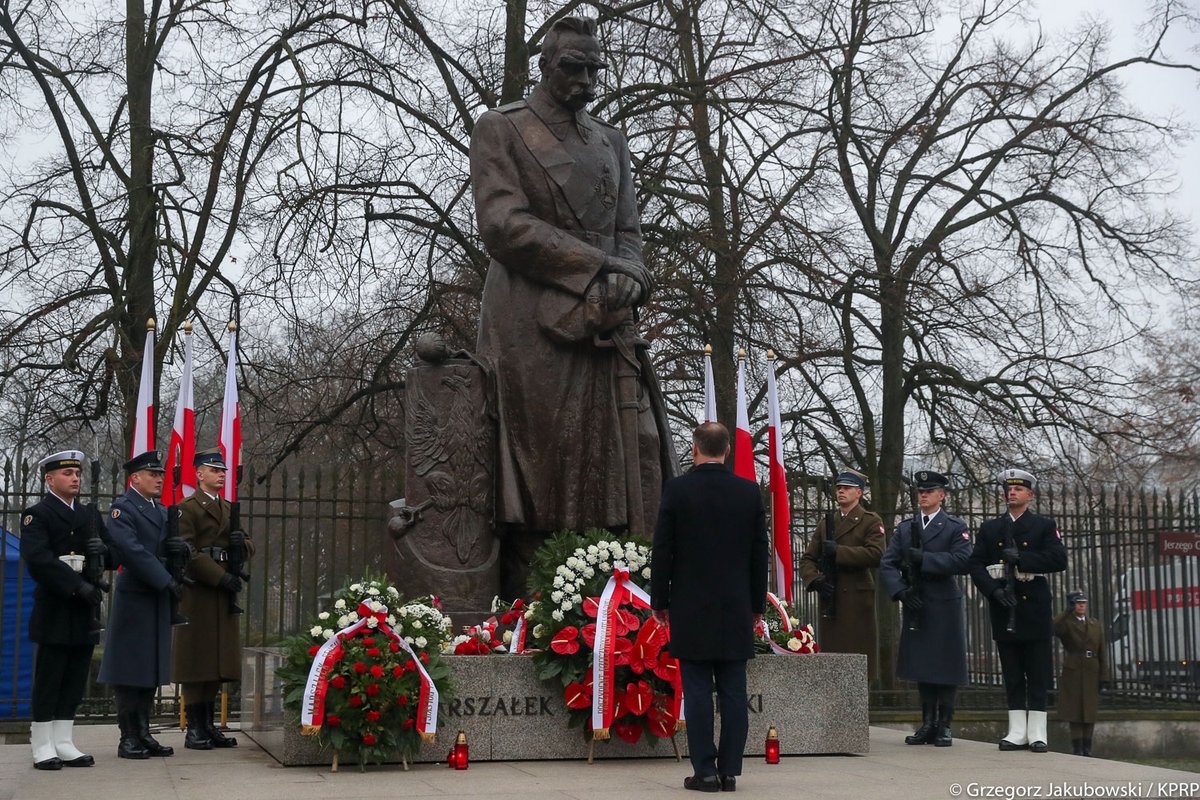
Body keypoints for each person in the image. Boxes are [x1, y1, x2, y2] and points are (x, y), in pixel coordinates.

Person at [470, 15, 677, 599]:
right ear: (545, 64)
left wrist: (631, 277)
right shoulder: (502, 128)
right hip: (532, 323)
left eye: (594, 68)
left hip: (607, 320)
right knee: (547, 462)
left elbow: (628, 230)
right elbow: (503, 224)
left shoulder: (609, 139)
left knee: (631, 448)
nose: (586, 79)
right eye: (573, 67)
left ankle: (621, 592)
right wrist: (597, 267)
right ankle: (538, 601)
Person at [651, 422, 768, 793]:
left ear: (695, 448)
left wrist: (659, 600)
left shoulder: (677, 490)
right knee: (734, 690)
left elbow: (663, 550)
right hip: (735, 606)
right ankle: (729, 770)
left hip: (691, 605)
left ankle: (704, 771)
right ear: (728, 449)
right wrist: (757, 603)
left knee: (697, 690)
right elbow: (758, 555)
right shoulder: (749, 492)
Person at [968, 468, 1067, 753]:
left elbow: (1059, 558)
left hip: (1033, 607)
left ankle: (1037, 733)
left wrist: (1023, 558)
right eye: (1009, 489)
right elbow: (975, 564)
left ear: (1030, 495)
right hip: (1004, 605)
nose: (1012, 492)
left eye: (1019, 489)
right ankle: (1016, 731)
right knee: (1011, 673)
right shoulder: (990, 529)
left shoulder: (1043, 526)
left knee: (1036, 673)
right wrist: (993, 590)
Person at [20, 450, 107, 770]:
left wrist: (104, 550)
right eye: (68, 474)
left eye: (77, 473)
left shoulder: (89, 515)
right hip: (57, 606)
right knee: (50, 677)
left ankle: (64, 740)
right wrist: (75, 585)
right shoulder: (37, 515)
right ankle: (42, 743)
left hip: (85, 609)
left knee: (73, 677)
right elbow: (38, 559)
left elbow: (109, 555)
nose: (75, 478)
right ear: (50, 479)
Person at [879, 470, 972, 747]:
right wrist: (901, 591)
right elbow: (888, 563)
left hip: (943, 602)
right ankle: (927, 722)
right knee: (923, 666)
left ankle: (944, 725)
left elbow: (963, 560)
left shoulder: (954, 527)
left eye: (929, 491)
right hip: (916, 601)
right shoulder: (907, 528)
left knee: (945, 666)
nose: (923, 495)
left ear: (941, 496)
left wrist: (927, 559)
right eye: (921, 491)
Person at [98, 450, 180, 759]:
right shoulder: (123, 509)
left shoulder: (160, 510)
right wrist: (164, 577)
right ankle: (128, 737)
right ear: (135, 479)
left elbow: (160, 548)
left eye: (161, 474)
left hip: (156, 594)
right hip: (136, 595)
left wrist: (178, 552)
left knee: (150, 667)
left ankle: (144, 732)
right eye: (153, 474)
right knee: (129, 669)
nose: (160, 479)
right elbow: (131, 551)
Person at [171, 448, 253, 750]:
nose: (221, 474)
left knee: (217, 661)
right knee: (196, 661)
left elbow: (249, 542)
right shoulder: (187, 508)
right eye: (214, 470)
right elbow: (186, 551)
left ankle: (208, 725)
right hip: (200, 590)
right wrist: (220, 576)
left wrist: (240, 546)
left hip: (223, 594)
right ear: (199, 473)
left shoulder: (230, 509)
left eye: (223, 471)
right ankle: (195, 727)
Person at [798, 469, 885, 679]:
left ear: (859, 493)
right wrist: (815, 580)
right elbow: (807, 558)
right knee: (833, 664)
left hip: (856, 599)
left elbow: (876, 555)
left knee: (858, 664)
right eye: (839, 488)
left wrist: (839, 552)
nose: (841, 492)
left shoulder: (870, 521)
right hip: (831, 597)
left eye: (847, 488)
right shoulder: (827, 523)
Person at [1054, 590, 1108, 756]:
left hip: (1092, 669)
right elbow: (1053, 627)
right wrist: (1066, 611)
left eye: (1083, 603)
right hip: (1074, 669)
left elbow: (1102, 651)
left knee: (1090, 710)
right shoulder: (1067, 623)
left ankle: (1087, 746)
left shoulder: (1094, 624)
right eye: (1077, 603)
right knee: (1075, 709)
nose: (1081, 606)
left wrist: (1104, 676)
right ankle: (1077, 746)